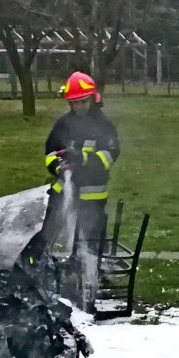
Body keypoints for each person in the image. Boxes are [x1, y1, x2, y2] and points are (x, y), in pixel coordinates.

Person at [41, 71, 120, 250]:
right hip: (63, 188)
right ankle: (43, 265)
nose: (79, 106)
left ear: (92, 99)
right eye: (75, 102)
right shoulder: (63, 123)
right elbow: (50, 152)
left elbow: (110, 154)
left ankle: (96, 270)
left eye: (83, 101)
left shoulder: (103, 124)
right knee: (48, 231)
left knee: (91, 239)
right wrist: (58, 167)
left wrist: (82, 159)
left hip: (92, 192)